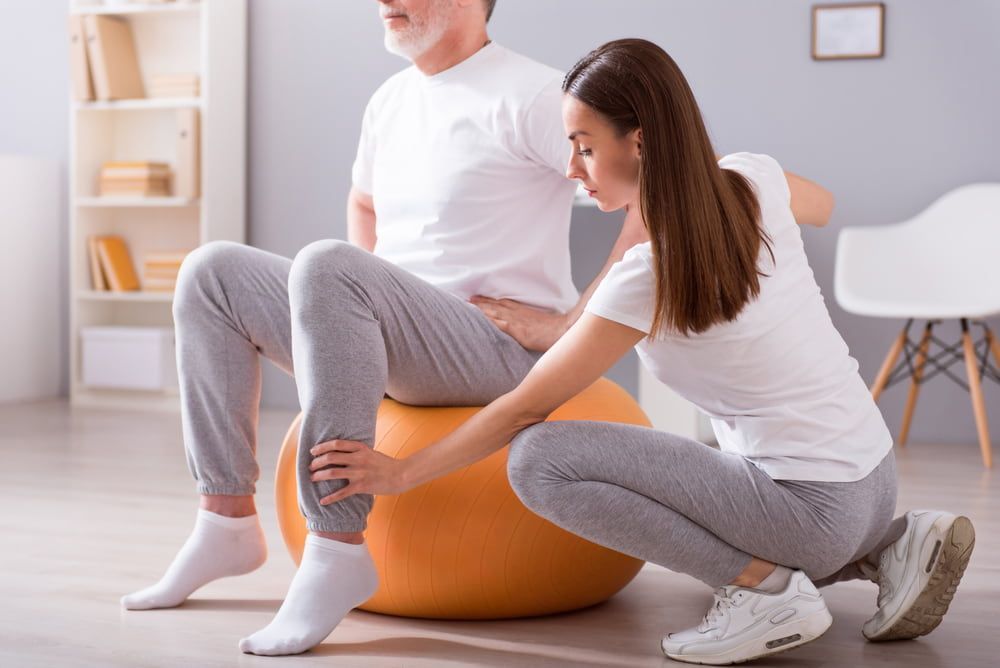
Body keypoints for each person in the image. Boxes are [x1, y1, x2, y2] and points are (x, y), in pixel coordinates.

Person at [308, 38, 976, 665]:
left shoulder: (646, 276)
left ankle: (765, 590)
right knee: (729, 463)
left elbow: (523, 410)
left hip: (808, 514)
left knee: (540, 461)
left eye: (584, 147)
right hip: (872, 476)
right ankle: (892, 547)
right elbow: (823, 204)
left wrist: (400, 473)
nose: (573, 170)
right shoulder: (751, 177)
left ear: (641, 141)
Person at [119, 0, 660, 657]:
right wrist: (347, 315)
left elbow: (653, 189)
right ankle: (225, 522)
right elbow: (364, 200)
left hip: (493, 349)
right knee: (212, 272)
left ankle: (338, 544)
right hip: (402, 341)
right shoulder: (391, 99)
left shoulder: (536, 93)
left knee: (327, 264)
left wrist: (574, 324)